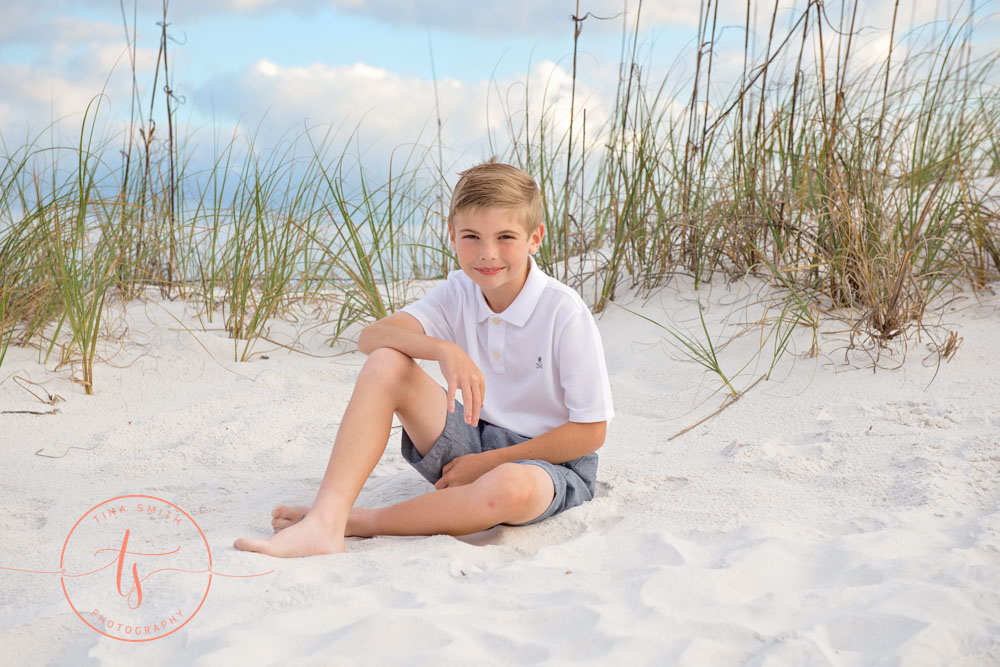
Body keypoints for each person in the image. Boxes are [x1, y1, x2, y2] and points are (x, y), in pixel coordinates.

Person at [234, 160, 614, 558]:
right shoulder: (459, 292)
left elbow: (591, 432)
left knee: (507, 490)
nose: (487, 254)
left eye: (505, 237)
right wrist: (442, 349)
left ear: (534, 238)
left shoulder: (563, 311)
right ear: (452, 237)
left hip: (548, 466)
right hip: (474, 438)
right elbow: (371, 336)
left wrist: (488, 465)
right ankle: (325, 521)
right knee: (386, 361)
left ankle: (358, 521)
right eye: (471, 236)